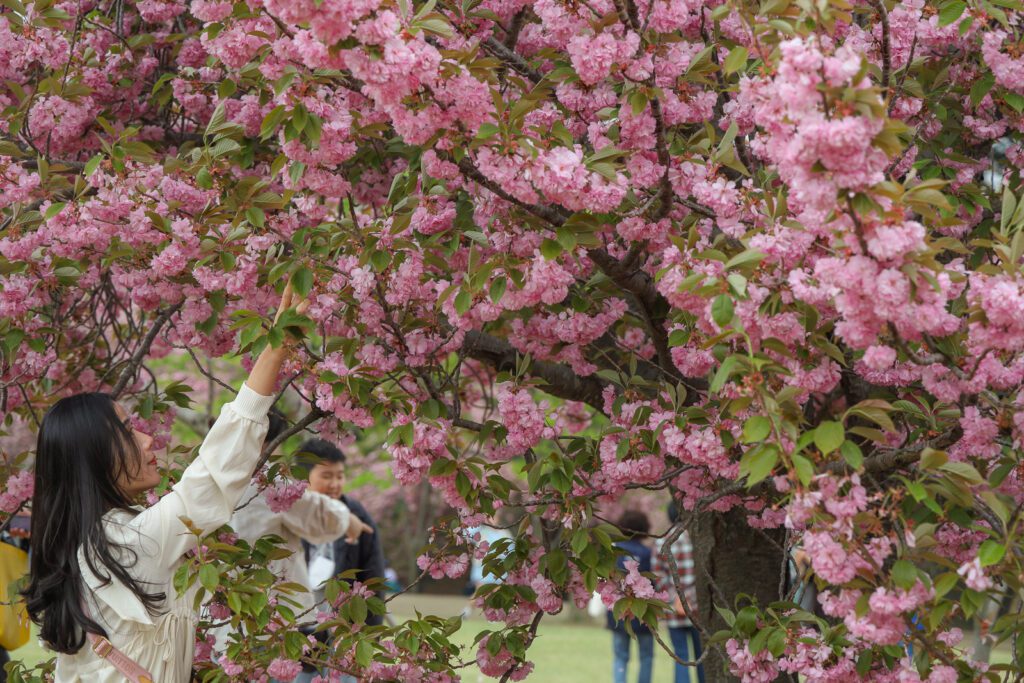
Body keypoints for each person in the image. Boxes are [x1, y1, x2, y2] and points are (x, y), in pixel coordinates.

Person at [22, 285, 307, 682]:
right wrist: (274, 352)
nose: (146, 439)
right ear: (95, 458)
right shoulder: (126, 543)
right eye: (126, 432)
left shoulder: (91, 544)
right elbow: (208, 481)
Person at [297, 438, 386, 626]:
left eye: (340, 476)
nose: (335, 484)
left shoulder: (357, 515)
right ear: (304, 478)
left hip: (340, 626)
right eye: (327, 476)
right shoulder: (288, 513)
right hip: (294, 624)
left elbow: (372, 576)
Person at [651, 502, 705, 683]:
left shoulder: (661, 541)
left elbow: (658, 578)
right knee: (702, 656)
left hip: (674, 607)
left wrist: (676, 599)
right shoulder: (698, 539)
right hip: (700, 607)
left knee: (681, 656)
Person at [607, 510, 654, 683]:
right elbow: (652, 582)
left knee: (620, 656)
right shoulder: (647, 553)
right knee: (646, 656)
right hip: (643, 610)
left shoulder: (613, 551)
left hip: (618, 609)